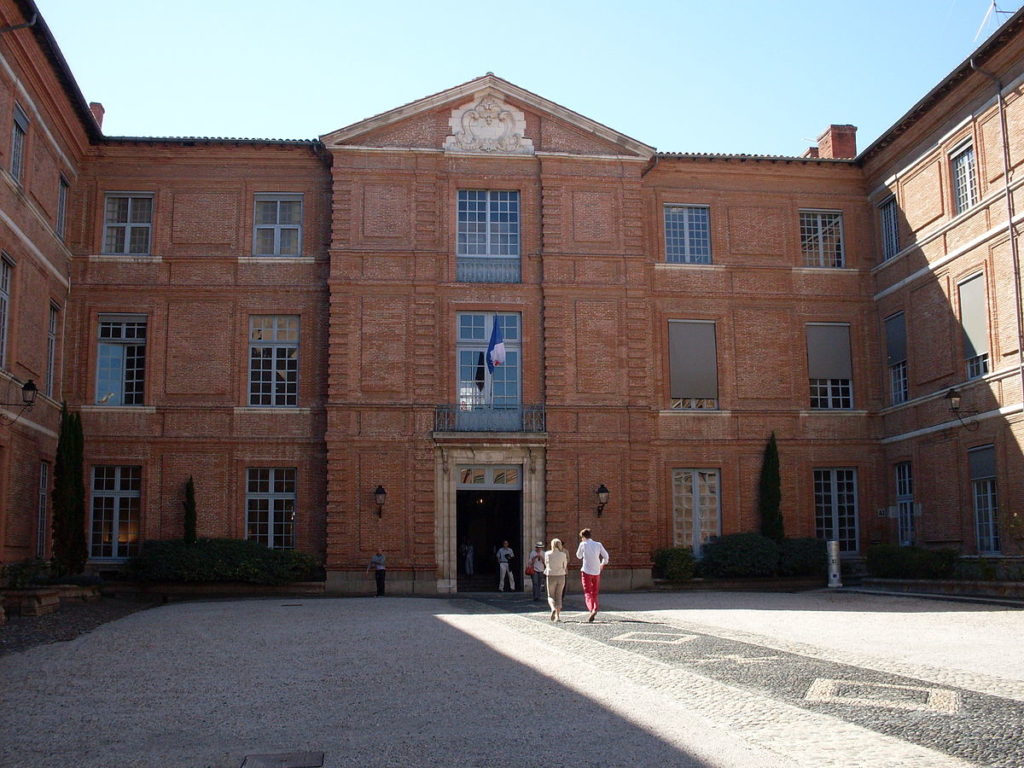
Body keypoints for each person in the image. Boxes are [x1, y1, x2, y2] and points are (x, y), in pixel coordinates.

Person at [576, 528, 609, 622]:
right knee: (595, 592)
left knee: (587, 592)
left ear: (583, 537)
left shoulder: (583, 544)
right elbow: (606, 556)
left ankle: (591, 609)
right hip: (596, 571)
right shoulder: (598, 544)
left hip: (586, 571)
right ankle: (595, 608)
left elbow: (578, 556)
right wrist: (602, 564)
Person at [544, 538, 568, 621]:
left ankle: (553, 608)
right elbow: (565, 566)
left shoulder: (547, 554)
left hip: (551, 575)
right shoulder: (563, 554)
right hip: (561, 576)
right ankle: (558, 617)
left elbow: (546, 563)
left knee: (550, 596)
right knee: (559, 596)